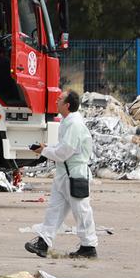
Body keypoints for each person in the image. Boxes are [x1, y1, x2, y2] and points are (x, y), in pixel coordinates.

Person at [25, 89, 97, 259]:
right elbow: (62, 148)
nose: (56, 101)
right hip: (64, 173)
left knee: (81, 211)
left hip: (75, 174)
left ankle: (89, 246)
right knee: (54, 209)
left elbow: (64, 152)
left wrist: (44, 151)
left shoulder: (74, 124)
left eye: (60, 99)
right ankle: (43, 242)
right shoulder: (67, 122)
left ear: (67, 105)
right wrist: (47, 148)